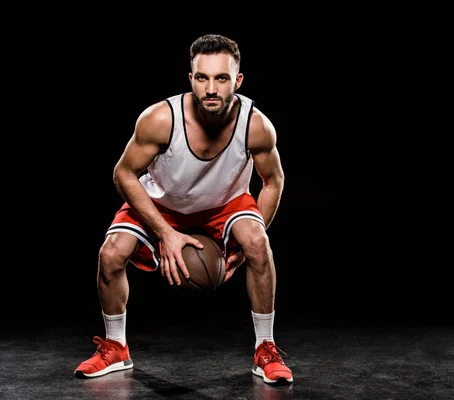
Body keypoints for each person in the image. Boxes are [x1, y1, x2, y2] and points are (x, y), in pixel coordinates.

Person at [74, 33, 293, 385]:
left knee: (258, 245)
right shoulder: (161, 119)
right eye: (202, 77)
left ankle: (264, 348)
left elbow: (273, 181)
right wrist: (166, 233)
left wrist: (249, 241)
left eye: (221, 78)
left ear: (237, 81)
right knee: (111, 254)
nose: (211, 88)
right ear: (190, 78)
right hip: (165, 204)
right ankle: (116, 347)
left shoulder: (255, 125)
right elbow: (123, 173)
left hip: (224, 203)